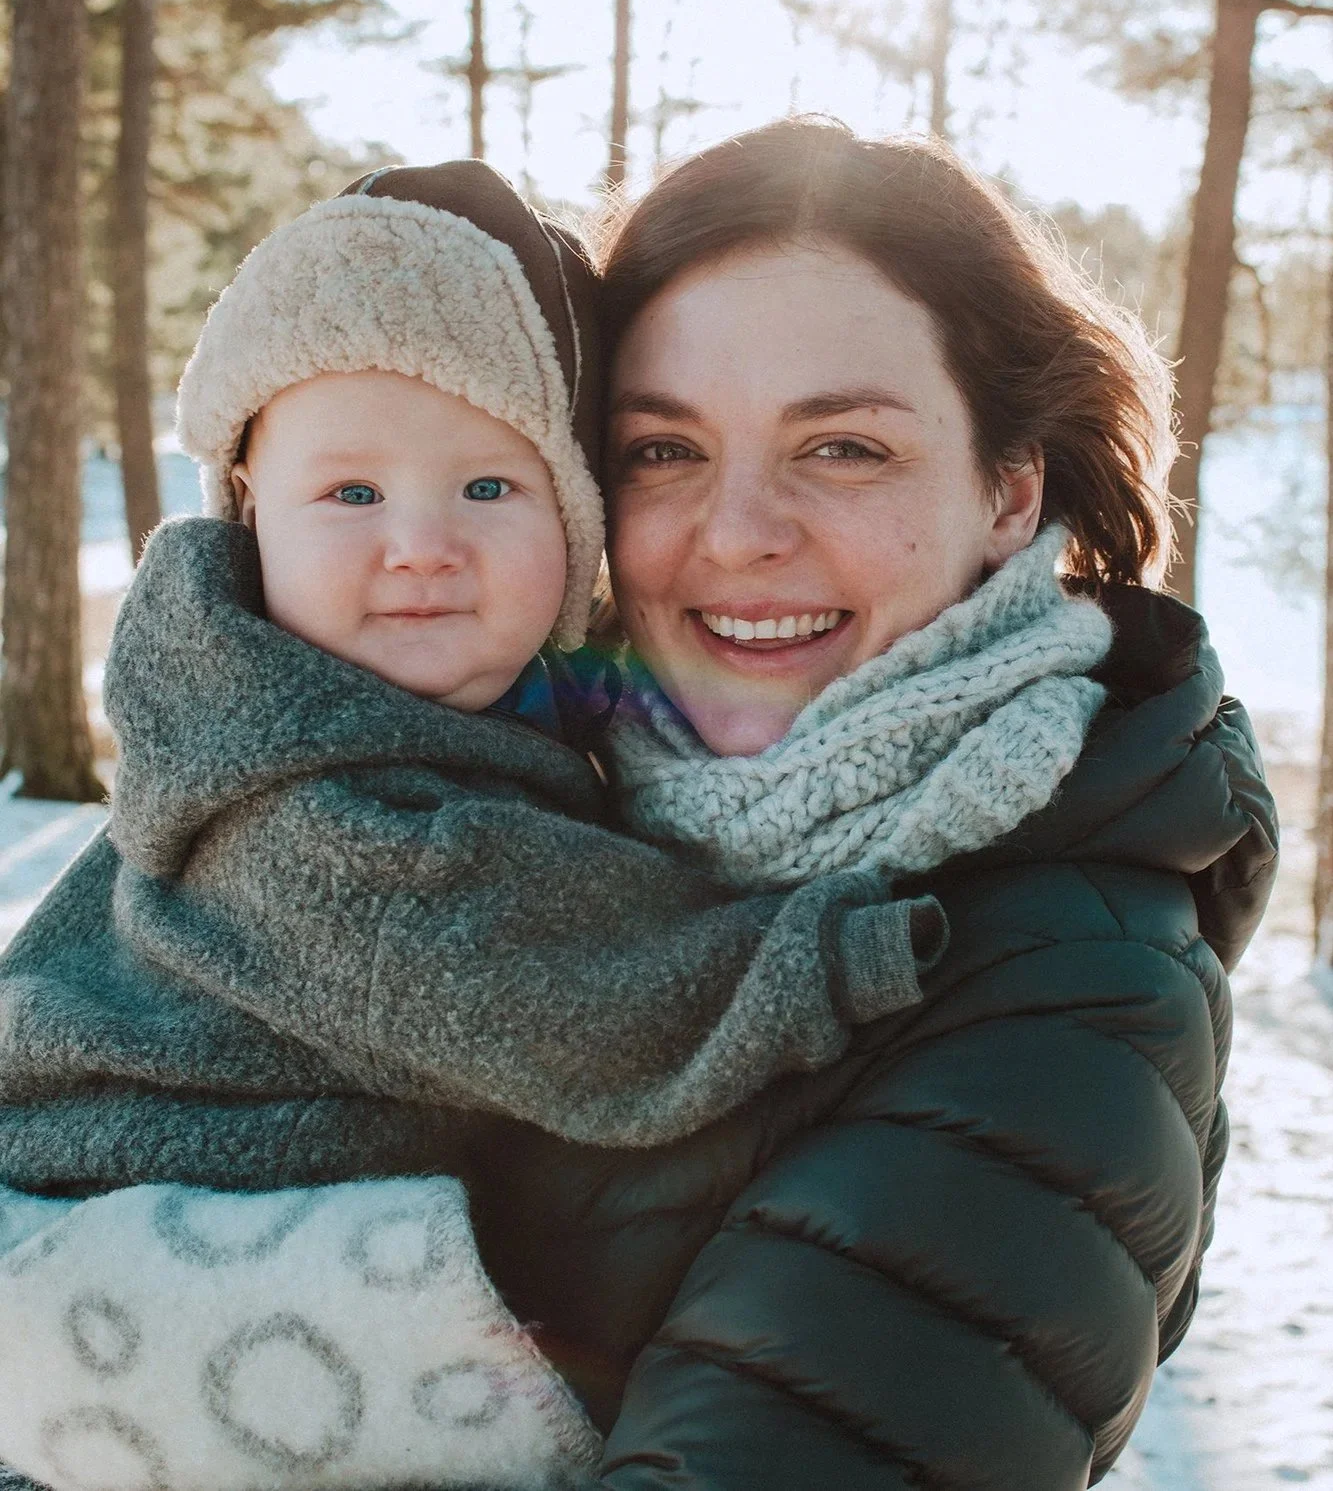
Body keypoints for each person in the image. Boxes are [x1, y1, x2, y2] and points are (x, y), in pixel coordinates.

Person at [0, 117, 1277, 1491]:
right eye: (665, 450)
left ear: (1009, 488)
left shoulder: (1062, 994)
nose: (738, 532)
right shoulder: (585, 791)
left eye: (843, 447)